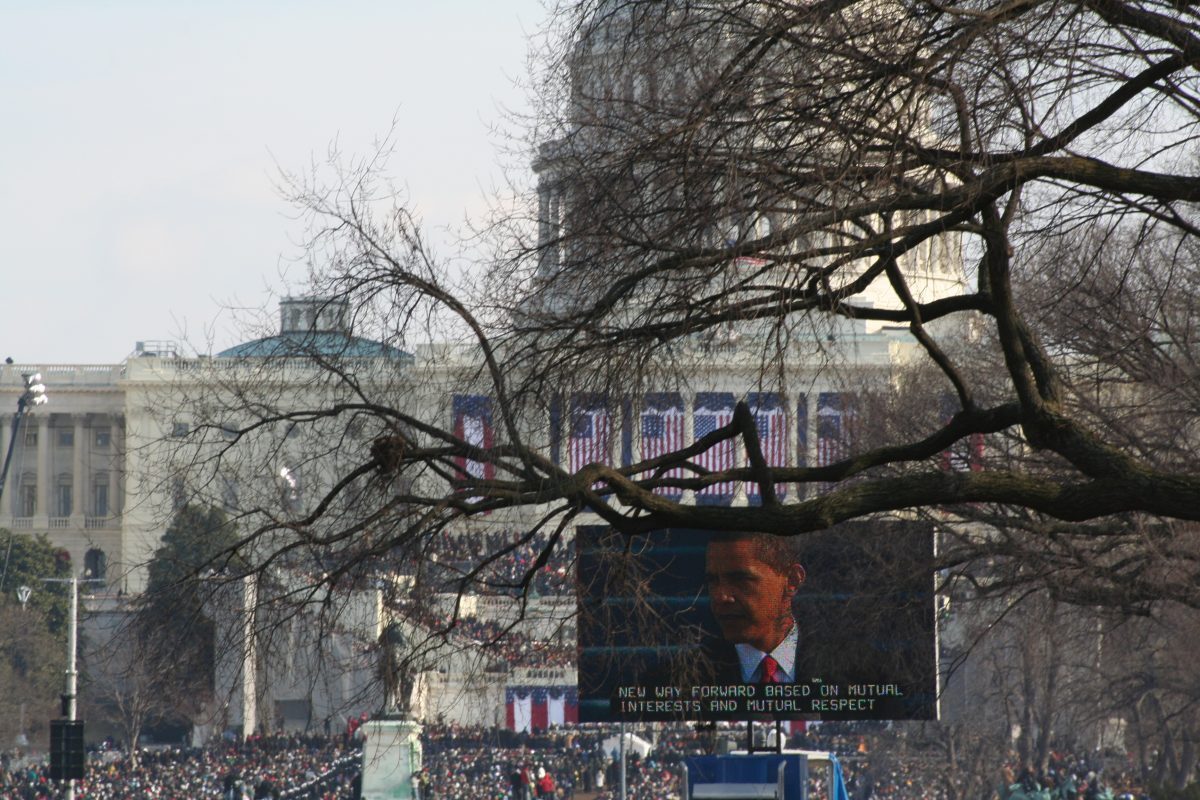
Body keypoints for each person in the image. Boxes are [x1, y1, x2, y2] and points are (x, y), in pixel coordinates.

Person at [702, 530, 806, 684]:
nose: (722, 597)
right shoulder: (685, 674)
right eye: (713, 581)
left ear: (792, 580)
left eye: (740, 580)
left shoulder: (845, 660)